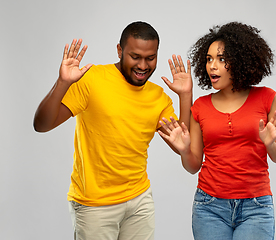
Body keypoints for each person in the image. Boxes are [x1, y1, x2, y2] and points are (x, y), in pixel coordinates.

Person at [33, 21, 192, 240]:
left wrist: (185, 96)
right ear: (119, 50)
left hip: (139, 200)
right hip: (94, 204)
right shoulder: (92, 79)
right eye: (135, 57)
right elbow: (41, 125)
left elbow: (181, 145)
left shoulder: (158, 97)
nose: (143, 66)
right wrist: (62, 83)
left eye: (150, 58)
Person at [158, 21, 276, 240]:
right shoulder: (200, 106)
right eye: (209, 59)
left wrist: (270, 144)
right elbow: (193, 166)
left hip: (256, 207)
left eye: (221, 59)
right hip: (209, 207)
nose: (212, 66)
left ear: (240, 60)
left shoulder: (267, 98)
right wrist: (184, 150)